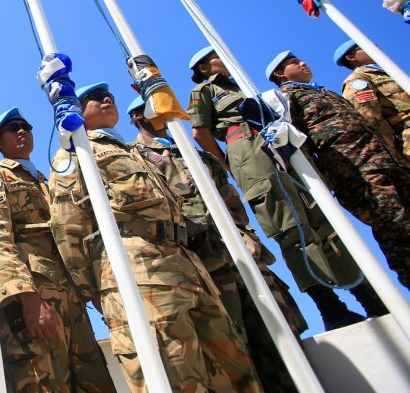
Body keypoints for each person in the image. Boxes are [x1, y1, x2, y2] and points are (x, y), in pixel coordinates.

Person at [54, 83, 259, 392]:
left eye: (108, 94)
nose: (106, 98)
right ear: (77, 109)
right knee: (174, 374)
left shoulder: (136, 153)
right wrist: (97, 290)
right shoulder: (76, 153)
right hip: (139, 273)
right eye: (94, 97)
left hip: (186, 267)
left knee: (235, 371)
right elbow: (68, 226)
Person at [128, 94, 307, 392]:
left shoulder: (195, 155)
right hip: (201, 267)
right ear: (139, 117)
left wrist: (243, 234)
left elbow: (232, 202)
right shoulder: (136, 159)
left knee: (280, 332)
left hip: (240, 256)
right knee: (230, 349)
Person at [187, 47, 365, 329]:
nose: (224, 55)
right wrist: (228, 164)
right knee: (289, 224)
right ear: (204, 69)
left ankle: (365, 292)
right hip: (246, 146)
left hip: (279, 142)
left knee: (320, 218)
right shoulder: (205, 92)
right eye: (216, 57)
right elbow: (200, 132)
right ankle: (330, 307)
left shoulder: (243, 84)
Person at [0, 108, 113, 393]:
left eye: (25, 125)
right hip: (36, 289)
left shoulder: (47, 179)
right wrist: (27, 298)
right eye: (12, 128)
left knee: (94, 379)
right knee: (43, 379)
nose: (21, 131)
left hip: (70, 291)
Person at [268, 50, 410, 293]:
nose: (303, 62)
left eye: (301, 58)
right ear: (280, 74)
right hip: (355, 170)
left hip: (386, 160)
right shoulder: (285, 98)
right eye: (294, 62)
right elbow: (295, 144)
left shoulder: (322, 92)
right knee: (395, 226)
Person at [335, 39, 410, 161]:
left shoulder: (392, 73)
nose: (376, 47)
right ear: (350, 57)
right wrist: (395, 153)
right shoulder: (359, 79)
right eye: (365, 46)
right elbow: (370, 117)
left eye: (376, 44)